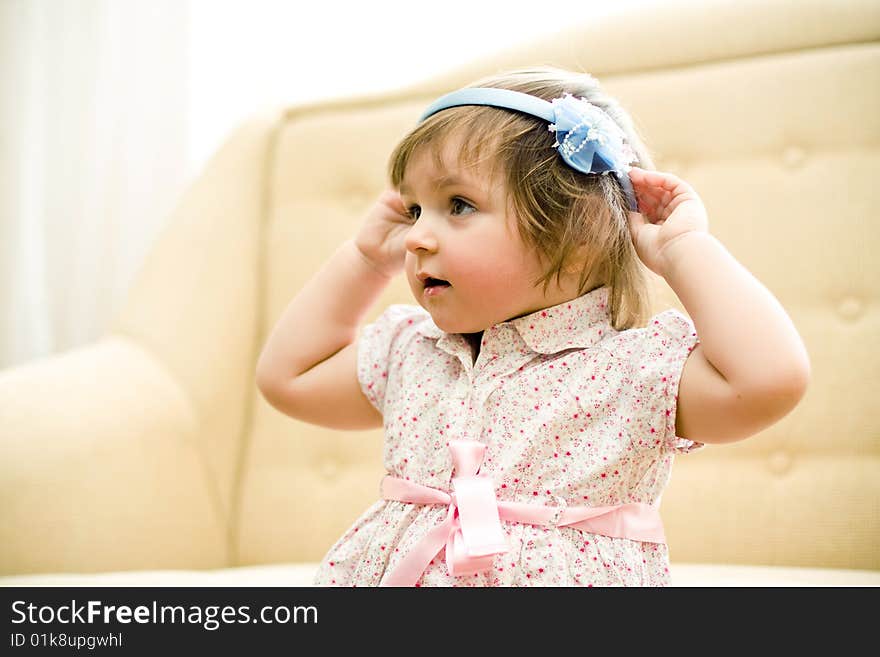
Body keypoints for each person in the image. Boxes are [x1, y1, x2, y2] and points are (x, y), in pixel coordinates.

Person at [255, 66, 811, 586]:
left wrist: (683, 248)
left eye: (459, 205)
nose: (417, 238)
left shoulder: (631, 372)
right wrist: (364, 258)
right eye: (414, 210)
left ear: (579, 232)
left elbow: (770, 380)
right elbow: (288, 378)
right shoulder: (415, 351)